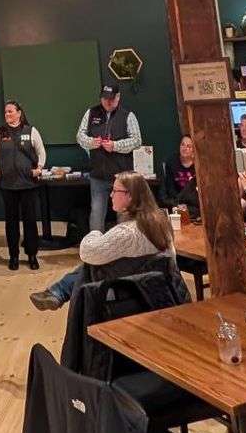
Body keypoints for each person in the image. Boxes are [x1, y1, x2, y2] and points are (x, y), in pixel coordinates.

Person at [29, 172, 174, 311]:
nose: (111, 195)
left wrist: (96, 232)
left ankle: (59, 291)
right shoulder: (161, 223)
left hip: (126, 292)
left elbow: (87, 252)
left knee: (92, 266)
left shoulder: (127, 232)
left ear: (129, 196)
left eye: (115, 191)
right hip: (158, 289)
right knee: (109, 260)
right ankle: (58, 292)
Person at [0, 100, 47, 272]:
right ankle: (13, 256)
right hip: (8, 185)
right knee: (11, 222)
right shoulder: (0, 132)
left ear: (19, 113)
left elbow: (41, 151)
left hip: (28, 184)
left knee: (30, 221)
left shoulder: (31, 131)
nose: (8, 114)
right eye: (6, 112)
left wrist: (40, 168)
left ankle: (31, 255)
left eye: (11, 111)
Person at [76, 82, 141, 235]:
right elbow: (80, 136)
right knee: (97, 215)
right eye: (104, 98)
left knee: (124, 216)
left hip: (122, 177)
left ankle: (125, 251)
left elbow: (137, 140)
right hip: (98, 176)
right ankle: (96, 252)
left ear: (118, 97)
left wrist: (115, 146)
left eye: (111, 98)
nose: (107, 101)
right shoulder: (91, 113)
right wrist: (91, 142)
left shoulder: (128, 116)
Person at [156, 134, 201, 219]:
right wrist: (177, 204)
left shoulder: (199, 165)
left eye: (188, 146)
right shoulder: (171, 163)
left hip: (194, 206)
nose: (184, 148)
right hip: (176, 203)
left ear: (193, 150)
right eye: (182, 145)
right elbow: (169, 189)